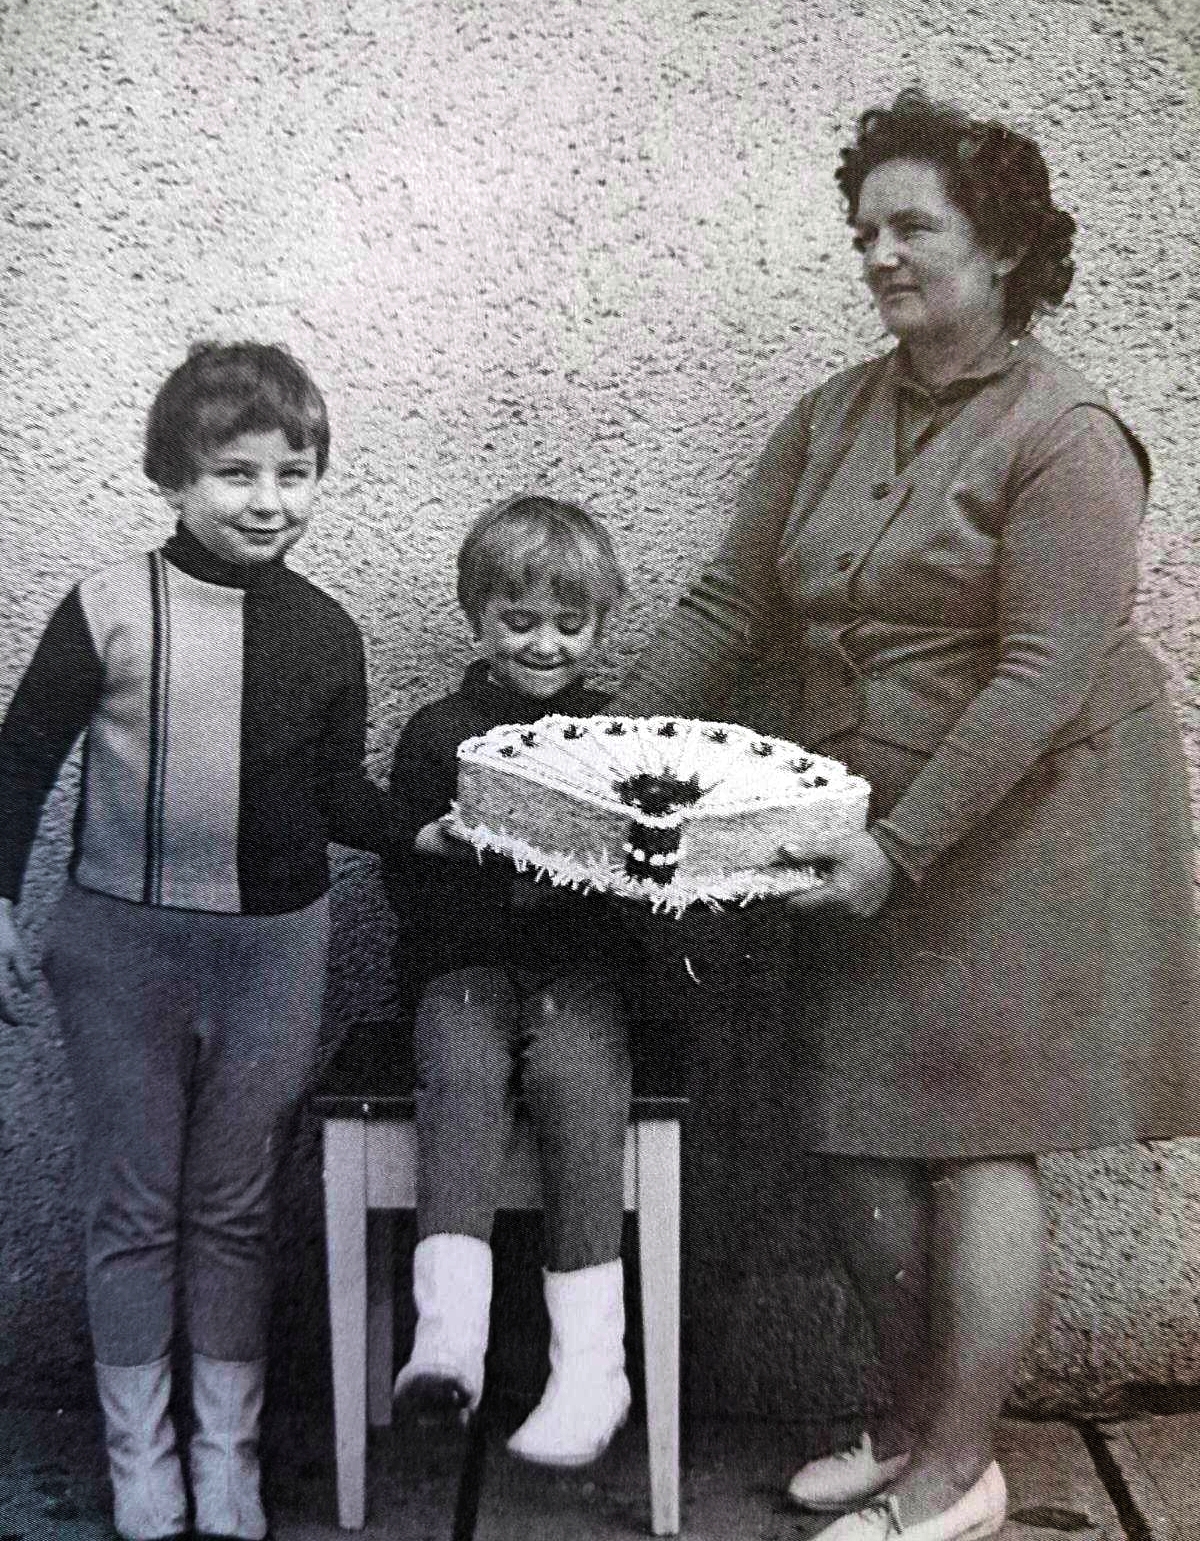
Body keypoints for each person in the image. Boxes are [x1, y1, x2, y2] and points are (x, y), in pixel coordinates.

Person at [614, 89, 1200, 1541]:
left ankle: (958, 1467)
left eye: (912, 227)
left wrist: (897, 850)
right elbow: (729, 605)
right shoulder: (832, 414)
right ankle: (907, 1421)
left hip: (1034, 810)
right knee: (856, 1122)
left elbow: (1042, 671)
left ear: (1002, 247)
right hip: (865, 809)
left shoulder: (1067, 433)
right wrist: (602, 756)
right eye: (864, 230)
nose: (879, 254)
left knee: (977, 1130)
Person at [0, 342, 388, 1541]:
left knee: (233, 1208)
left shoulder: (327, 631)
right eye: (236, 472)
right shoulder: (106, 605)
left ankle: (227, 1457)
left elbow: (338, 795)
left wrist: (434, 823)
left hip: (275, 952)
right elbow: (21, 760)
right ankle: (142, 1459)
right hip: (118, 950)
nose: (268, 500)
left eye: (294, 472)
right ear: (173, 477)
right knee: (132, 1208)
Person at [383, 494, 636, 1469]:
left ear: (601, 623)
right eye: (519, 620)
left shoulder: (615, 732)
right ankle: (448, 1341)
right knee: (459, 1066)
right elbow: (402, 883)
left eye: (570, 623)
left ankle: (592, 1368)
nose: (544, 644)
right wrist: (455, 853)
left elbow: (644, 880)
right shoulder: (438, 730)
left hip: (579, 968)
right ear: (476, 617)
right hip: (466, 966)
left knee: (577, 1077)